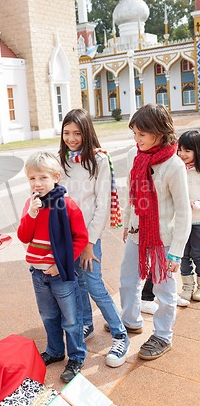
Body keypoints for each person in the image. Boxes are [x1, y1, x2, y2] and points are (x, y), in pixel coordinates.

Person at [59, 108, 130, 368]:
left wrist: (89, 243)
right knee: (77, 284)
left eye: (77, 133)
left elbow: (102, 205)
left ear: (87, 132)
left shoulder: (98, 160)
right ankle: (87, 323)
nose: (71, 138)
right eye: (67, 133)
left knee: (94, 285)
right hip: (66, 236)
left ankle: (120, 334)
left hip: (88, 237)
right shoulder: (62, 160)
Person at [120, 104, 191, 360]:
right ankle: (130, 320)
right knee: (127, 281)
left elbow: (183, 212)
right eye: (134, 134)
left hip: (163, 240)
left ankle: (163, 335)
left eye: (142, 135)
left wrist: (176, 253)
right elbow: (131, 193)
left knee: (164, 291)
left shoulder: (174, 165)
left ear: (159, 133)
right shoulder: (133, 155)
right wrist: (128, 223)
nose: (136, 140)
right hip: (138, 232)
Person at [17, 151, 88, 382]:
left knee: (71, 318)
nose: (37, 183)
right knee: (48, 315)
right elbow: (24, 237)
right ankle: (56, 351)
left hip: (60, 274)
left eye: (43, 178)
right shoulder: (31, 204)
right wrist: (31, 215)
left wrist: (61, 264)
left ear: (56, 177)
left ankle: (76, 356)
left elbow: (80, 238)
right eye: (32, 178)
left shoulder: (67, 204)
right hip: (37, 274)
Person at [177, 130, 200, 302]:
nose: (182, 154)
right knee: (183, 254)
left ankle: (199, 286)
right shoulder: (178, 169)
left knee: (198, 254)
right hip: (181, 221)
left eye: (187, 150)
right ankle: (187, 285)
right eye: (180, 149)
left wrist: (195, 204)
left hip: (198, 220)